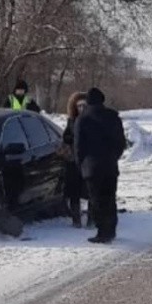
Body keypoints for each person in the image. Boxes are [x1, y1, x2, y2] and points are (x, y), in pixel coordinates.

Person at [74, 87, 127, 244]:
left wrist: (81, 164)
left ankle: (102, 232)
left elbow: (78, 146)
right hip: (110, 165)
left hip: (91, 167)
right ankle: (111, 230)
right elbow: (121, 142)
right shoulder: (113, 117)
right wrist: (113, 157)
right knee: (110, 198)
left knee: (96, 200)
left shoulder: (82, 119)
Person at [62, 92, 90, 228]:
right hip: (73, 161)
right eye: (79, 106)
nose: (81, 108)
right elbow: (66, 137)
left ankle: (91, 219)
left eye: (84, 105)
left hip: (88, 160)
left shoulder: (92, 120)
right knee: (74, 191)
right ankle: (76, 220)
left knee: (90, 191)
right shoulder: (72, 121)